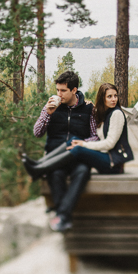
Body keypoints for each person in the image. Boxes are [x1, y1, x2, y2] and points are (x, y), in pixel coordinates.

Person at [23, 71, 98, 232]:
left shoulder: (88, 109)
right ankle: (64, 216)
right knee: (56, 174)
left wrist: (82, 143)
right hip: (55, 157)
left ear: (74, 90)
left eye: (63, 90)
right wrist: (48, 114)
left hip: (78, 156)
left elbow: (95, 137)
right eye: (57, 90)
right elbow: (37, 132)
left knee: (83, 172)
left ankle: (61, 213)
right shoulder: (51, 106)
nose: (59, 94)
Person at [67, 82, 134, 174]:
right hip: (104, 154)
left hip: (113, 162)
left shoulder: (117, 114)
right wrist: (88, 104)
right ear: (102, 98)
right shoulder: (104, 113)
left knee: (78, 148)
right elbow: (95, 109)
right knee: (73, 140)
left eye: (115, 96)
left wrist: (84, 144)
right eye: (109, 96)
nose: (114, 99)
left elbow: (109, 144)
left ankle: (50, 168)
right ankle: (46, 163)